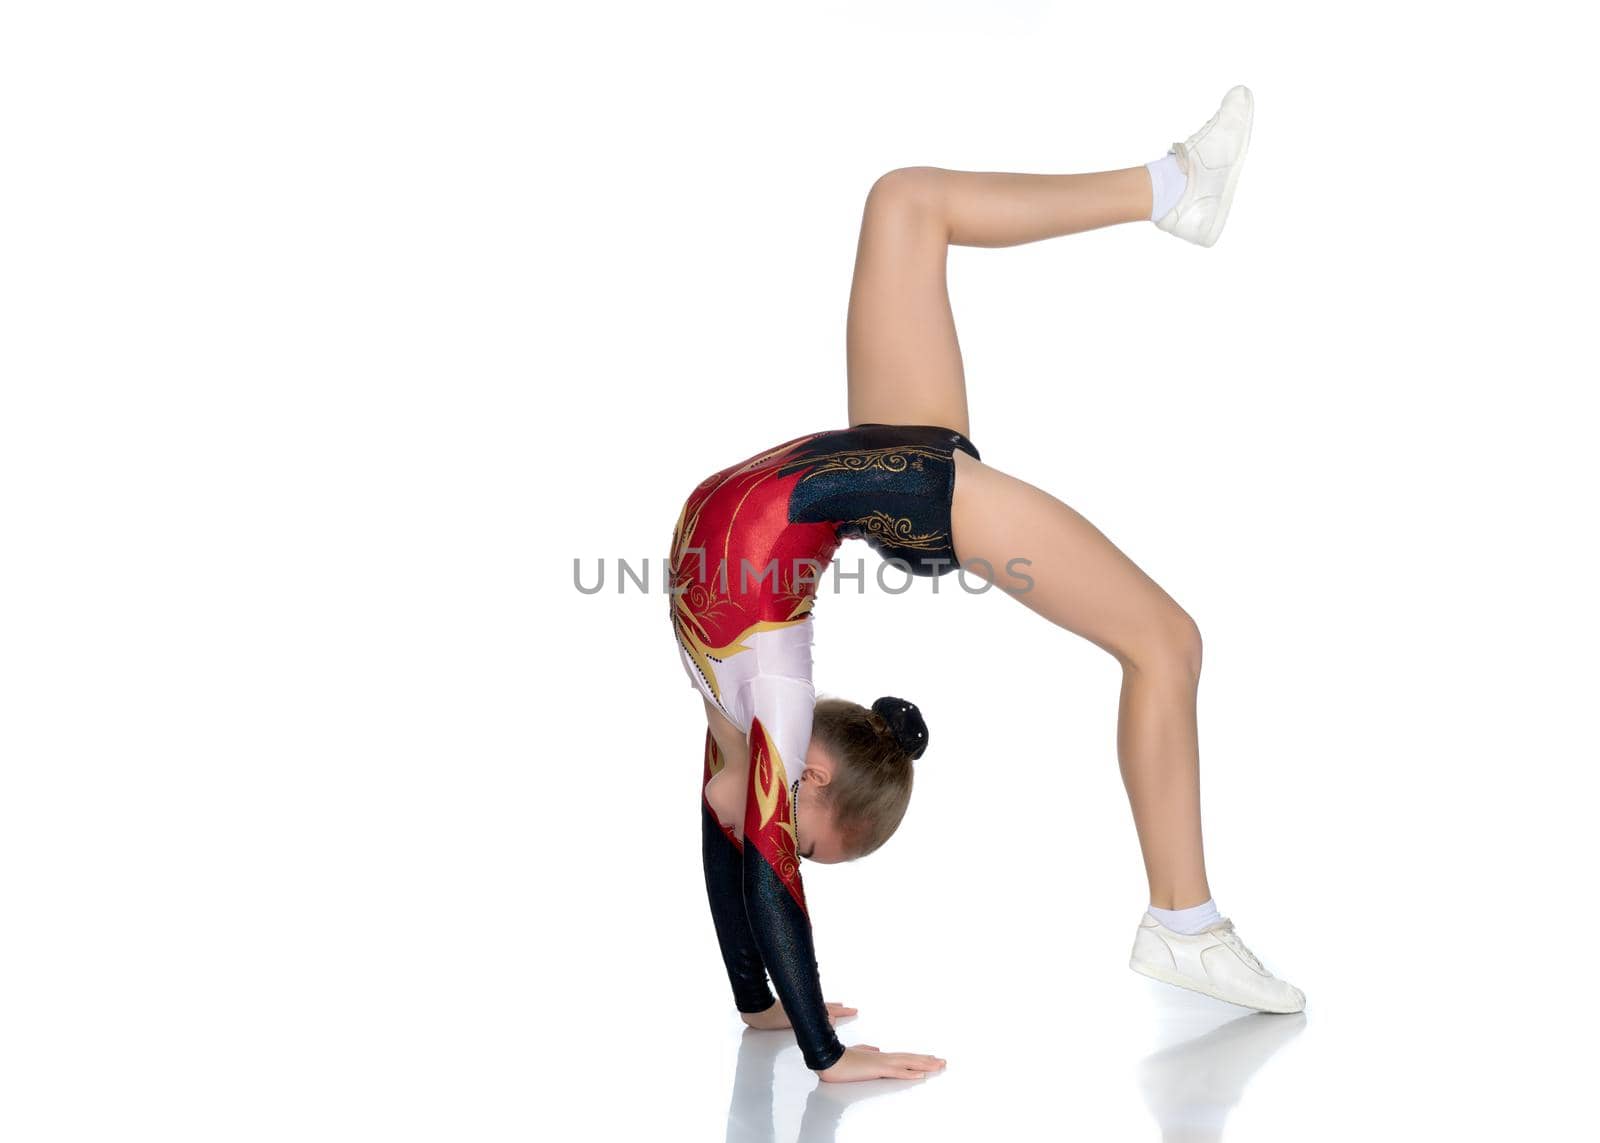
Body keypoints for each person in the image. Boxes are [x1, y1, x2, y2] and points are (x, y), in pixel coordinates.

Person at [669, 85, 1303, 1085]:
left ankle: (1175, 185)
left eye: (818, 852)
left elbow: (752, 870)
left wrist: (781, 1022)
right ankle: (1185, 919)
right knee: (1165, 643)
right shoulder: (753, 726)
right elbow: (748, 858)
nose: (792, 847)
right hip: (912, 494)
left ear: (815, 785)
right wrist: (791, 1021)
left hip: (890, 467)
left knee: (904, 201)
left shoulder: (754, 724)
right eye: (814, 850)